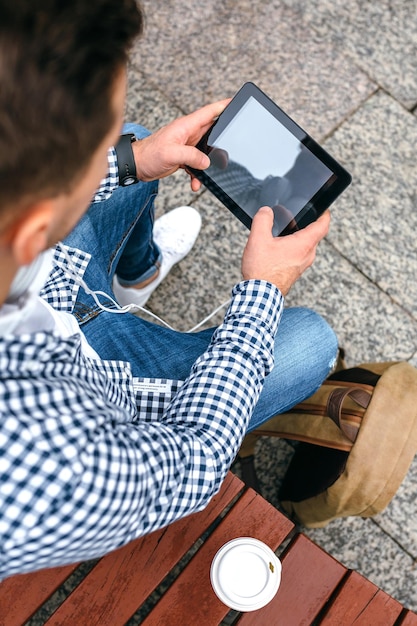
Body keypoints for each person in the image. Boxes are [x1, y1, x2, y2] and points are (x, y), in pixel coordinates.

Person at [0, 0, 337, 580]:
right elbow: (193, 463)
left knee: (137, 143)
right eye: (90, 157)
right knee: (311, 344)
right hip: (98, 389)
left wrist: (127, 162)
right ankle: (125, 295)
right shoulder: (46, 468)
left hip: (41, 297)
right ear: (29, 229)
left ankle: (134, 282)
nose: (101, 160)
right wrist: (262, 290)